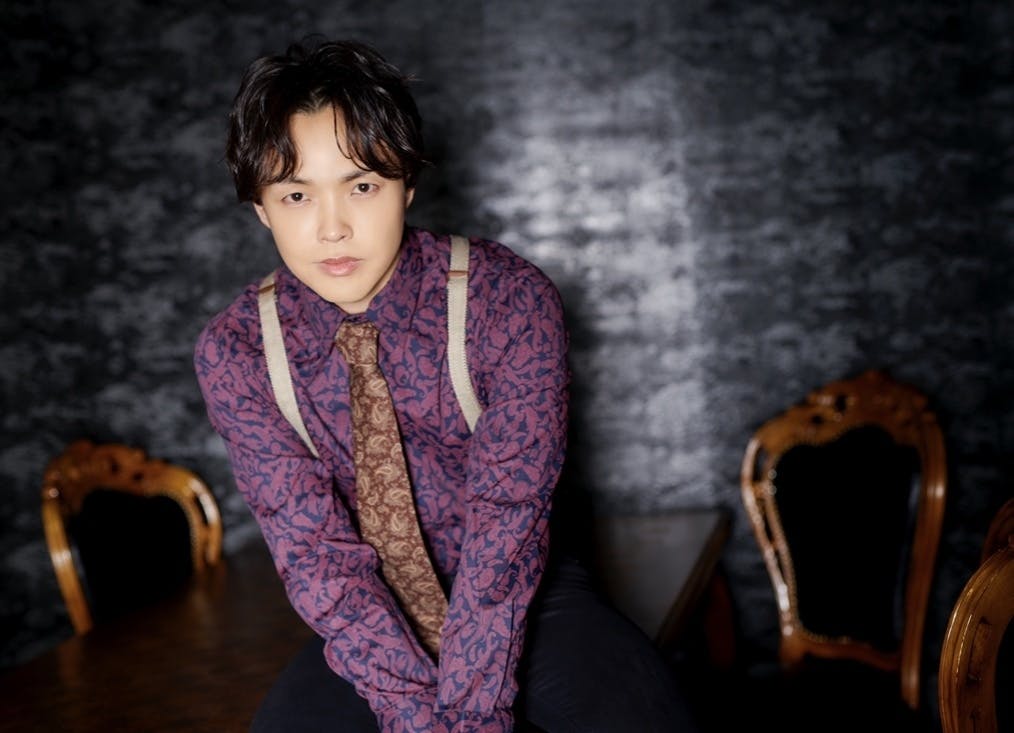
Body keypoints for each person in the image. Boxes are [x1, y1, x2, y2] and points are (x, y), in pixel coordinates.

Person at [194, 38, 699, 733]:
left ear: (406, 183)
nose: (332, 227)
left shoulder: (506, 300)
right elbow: (316, 558)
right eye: (297, 194)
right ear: (261, 207)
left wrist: (467, 720)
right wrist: (414, 717)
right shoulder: (239, 351)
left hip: (526, 590)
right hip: (373, 616)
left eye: (362, 185)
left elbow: (507, 526)